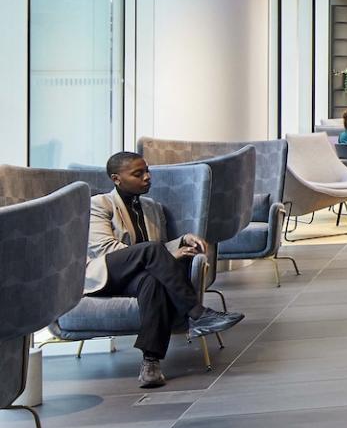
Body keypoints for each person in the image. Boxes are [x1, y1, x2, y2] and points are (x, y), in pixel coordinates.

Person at [85, 152, 244, 389]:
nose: (147, 177)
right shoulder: (99, 204)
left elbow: (157, 252)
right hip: (106, 274)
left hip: (137, 277)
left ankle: (151, 363)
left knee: (153, 281)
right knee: (150, 253)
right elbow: (107, 249)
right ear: (116, 179)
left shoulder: (152, 207)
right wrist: (164, 252)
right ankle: (197, 313)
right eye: (138, 174)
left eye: (147, 171)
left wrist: (181, 241)